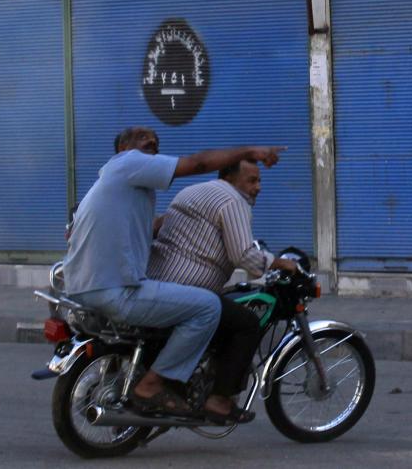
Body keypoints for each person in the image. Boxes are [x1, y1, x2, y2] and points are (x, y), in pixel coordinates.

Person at [63, 126, 285, 418]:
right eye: (142, 138)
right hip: (116, 289)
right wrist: (249, 150)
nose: (152, 141)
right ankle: (153, 386)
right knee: (209, 307)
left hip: (88, 286)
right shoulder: (129, 165)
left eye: (155, 139)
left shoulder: (124, 189)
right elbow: (199, 164)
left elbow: (149, 227)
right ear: (123, 150)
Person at [147, 159, 298, 424]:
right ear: (229, 177)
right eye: (251, 180)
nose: (258, 187)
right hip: (189, 288)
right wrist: (280, 262)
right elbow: (244, 255)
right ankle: (219, 400)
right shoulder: (232, 201)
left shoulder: (191, 191)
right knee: (247, 324)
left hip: (158, 280)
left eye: (259, 181)